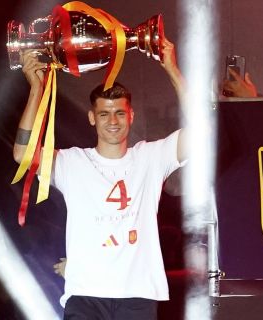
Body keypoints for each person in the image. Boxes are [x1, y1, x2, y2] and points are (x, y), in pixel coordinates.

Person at [13, 37, 187, 319]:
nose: (113, 121)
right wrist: (36, 89)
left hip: (138, 295)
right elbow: (23, 154)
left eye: (120, 112)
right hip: (86, 296)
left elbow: (202, 132)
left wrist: (172, 68)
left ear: (131, 115)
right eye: (104, 114)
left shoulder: (151, 157)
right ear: (92, 118)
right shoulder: (72, 162)